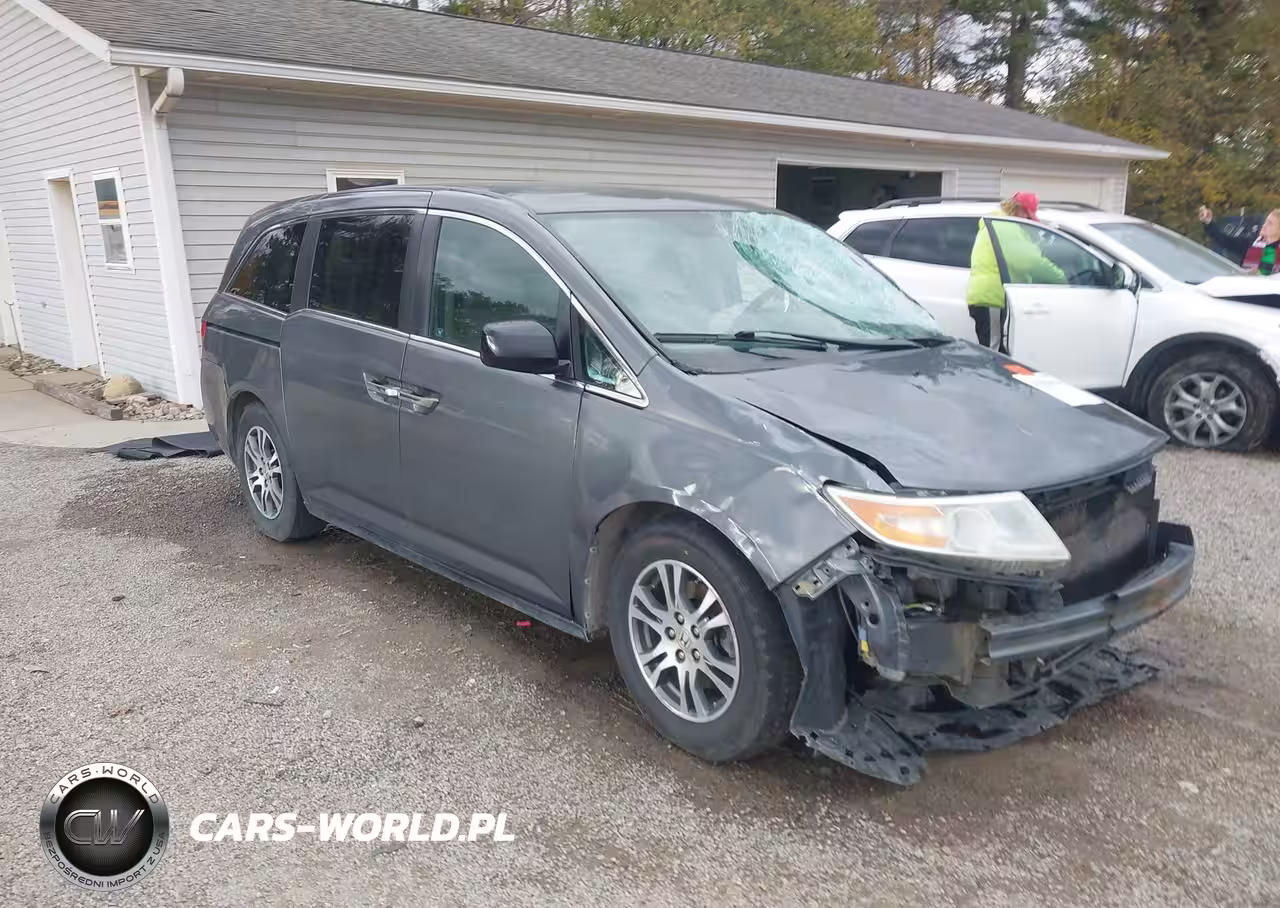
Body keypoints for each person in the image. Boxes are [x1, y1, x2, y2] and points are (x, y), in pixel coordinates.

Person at [966, 192, 1066, 349]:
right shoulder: (1005, 226)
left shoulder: (1001, 224)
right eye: (1027, 216)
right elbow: (1029, 262)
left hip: (988, 297)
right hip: (992, 298)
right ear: (1019, 210)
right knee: (993, 351)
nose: (1027, 221)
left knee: (996, 347)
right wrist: (1061, 277)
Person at [1199, 206, 1280, 275]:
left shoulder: (1274, 252)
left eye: (1270, 223)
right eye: (1266, 221)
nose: (1264, 225)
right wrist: (1209, 223)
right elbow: (1226, 241)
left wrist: (1255, 274)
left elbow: (1263, 273)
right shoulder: (1255, 242)